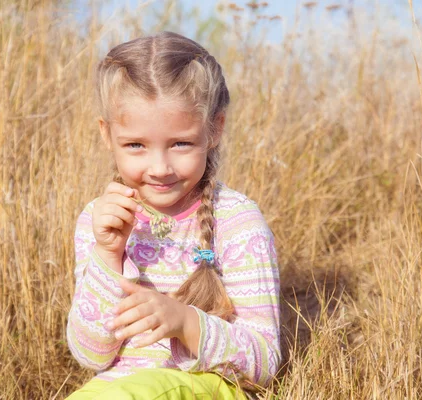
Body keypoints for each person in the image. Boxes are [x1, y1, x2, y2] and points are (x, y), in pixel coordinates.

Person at [66, 31, 281, 399]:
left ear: (214, 129)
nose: (160, 167)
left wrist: (185, 322)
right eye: (136, 145)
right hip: (115, 388)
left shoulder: (237, 221)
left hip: (206, 384)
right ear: (107, 135)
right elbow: (91, 355)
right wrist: (107, 255)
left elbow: (264, 363)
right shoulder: (100, 220)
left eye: (180, 143)